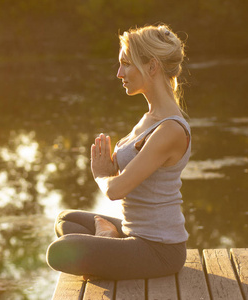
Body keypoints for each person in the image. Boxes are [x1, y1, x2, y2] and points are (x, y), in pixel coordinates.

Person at [46, 24, 191, 280]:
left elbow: (115, 190)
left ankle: (106, 244)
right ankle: (109, 239)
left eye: (126, 63)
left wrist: (103, 175)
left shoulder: (171, 129)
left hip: (159, 250)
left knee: (59, 251)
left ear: (152, 66)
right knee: (65, 219)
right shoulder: (149, 118)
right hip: (131, 232)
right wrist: (115, 170)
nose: (118, 73)